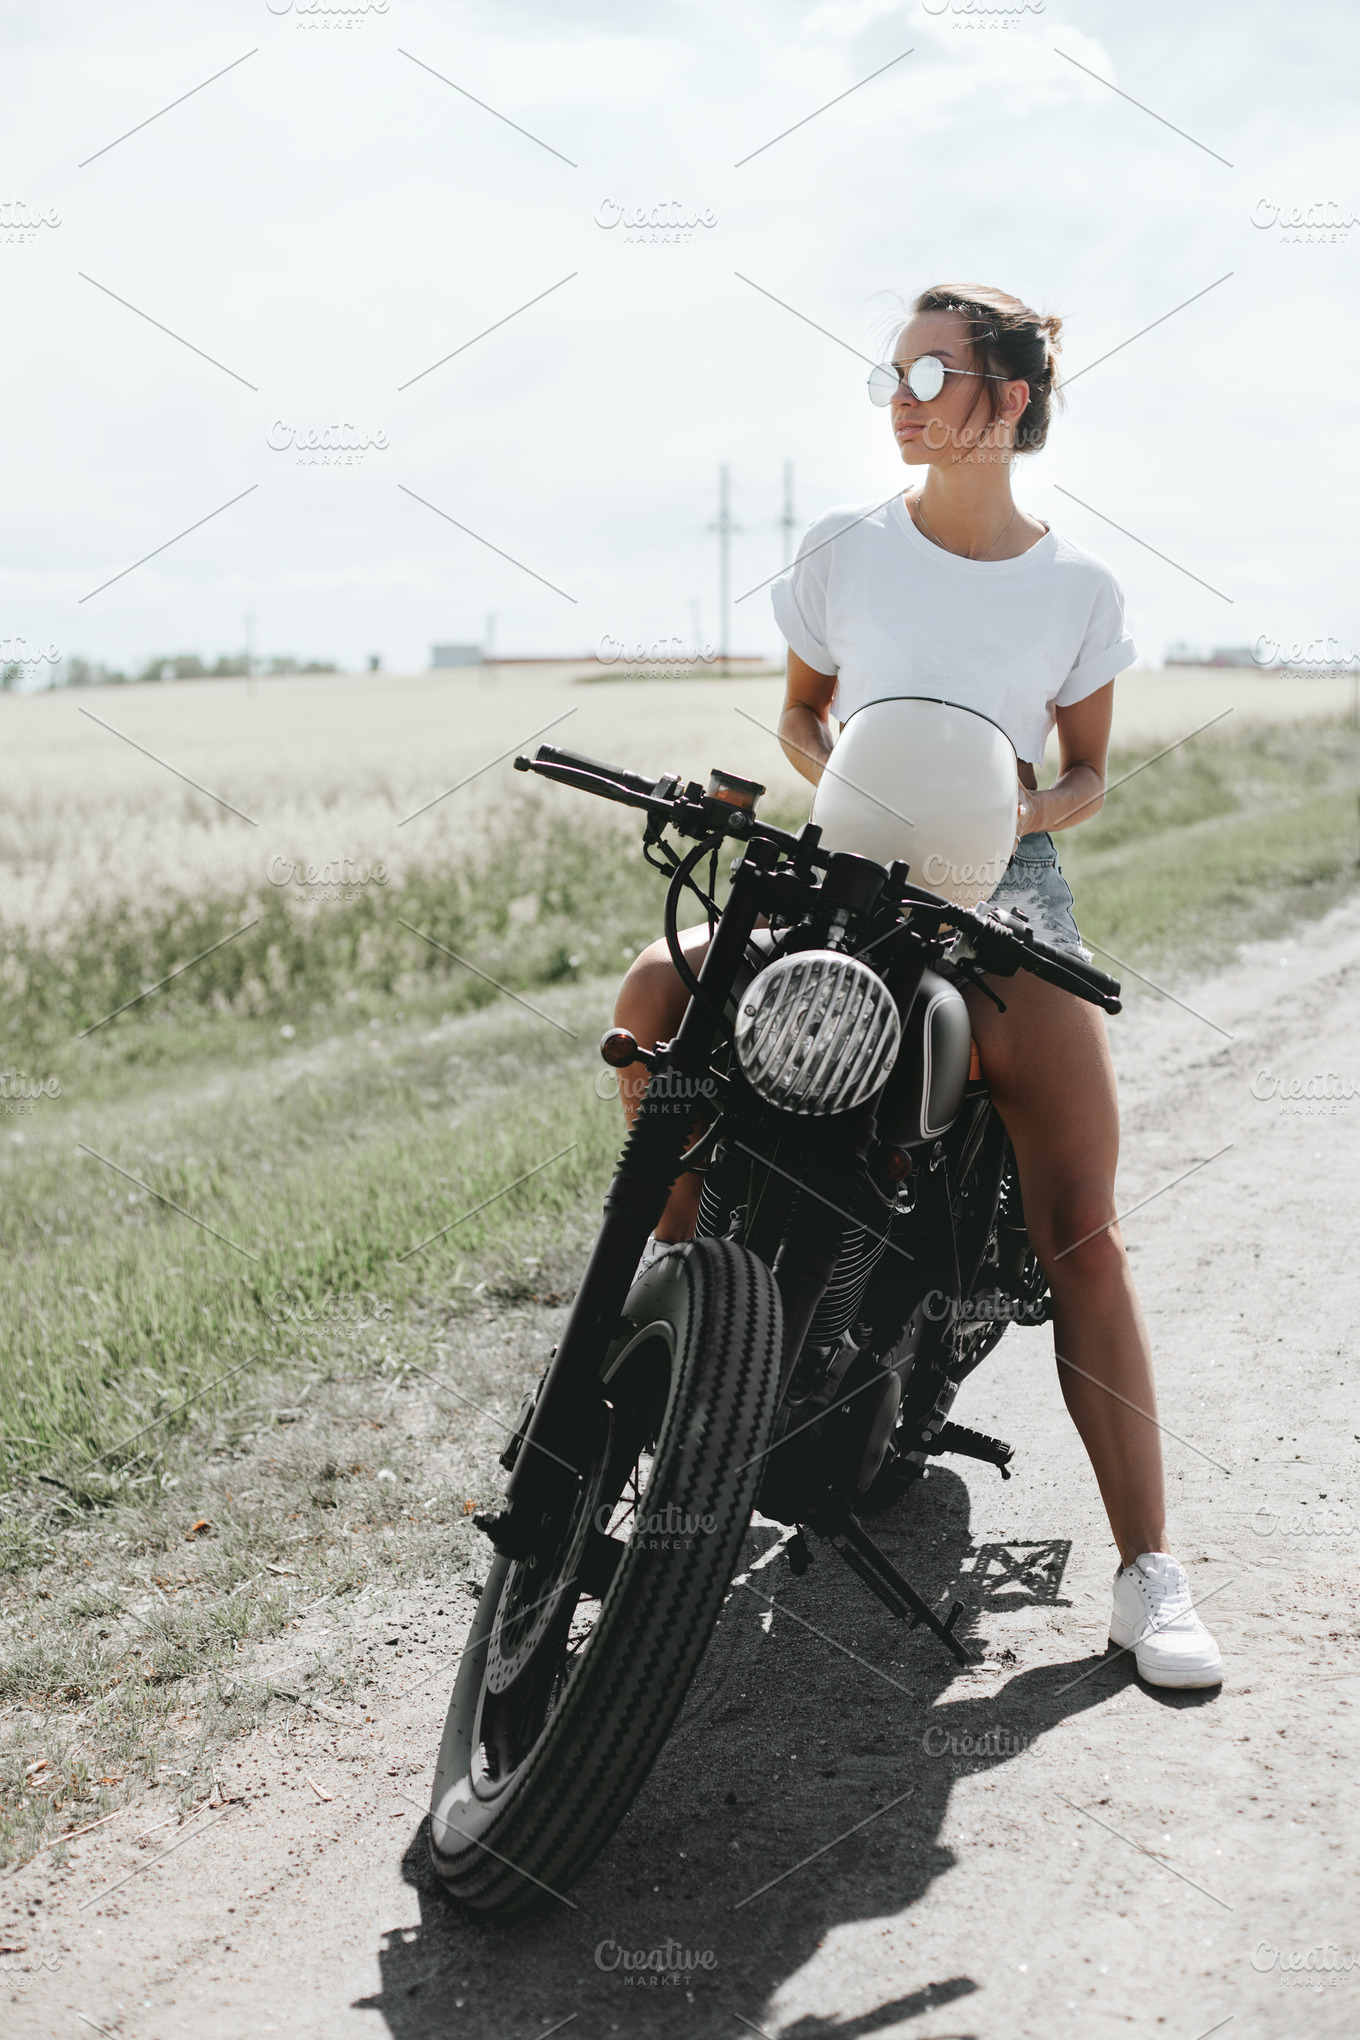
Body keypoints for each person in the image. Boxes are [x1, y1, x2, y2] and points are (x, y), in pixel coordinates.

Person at [612, 283, 1222, 1691]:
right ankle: (682, 1316)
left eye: (931, 371)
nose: (901, 394)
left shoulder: (1079, 589)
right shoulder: (846, 552)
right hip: (844, 884)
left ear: (1006, 399)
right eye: (888, 371)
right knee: (657, 990)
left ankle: (1147, 1576)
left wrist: (1012, 819)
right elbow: (800, 717)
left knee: (1082, 1229)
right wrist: (863, 790)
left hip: (1005, 903)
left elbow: (1086, 774)